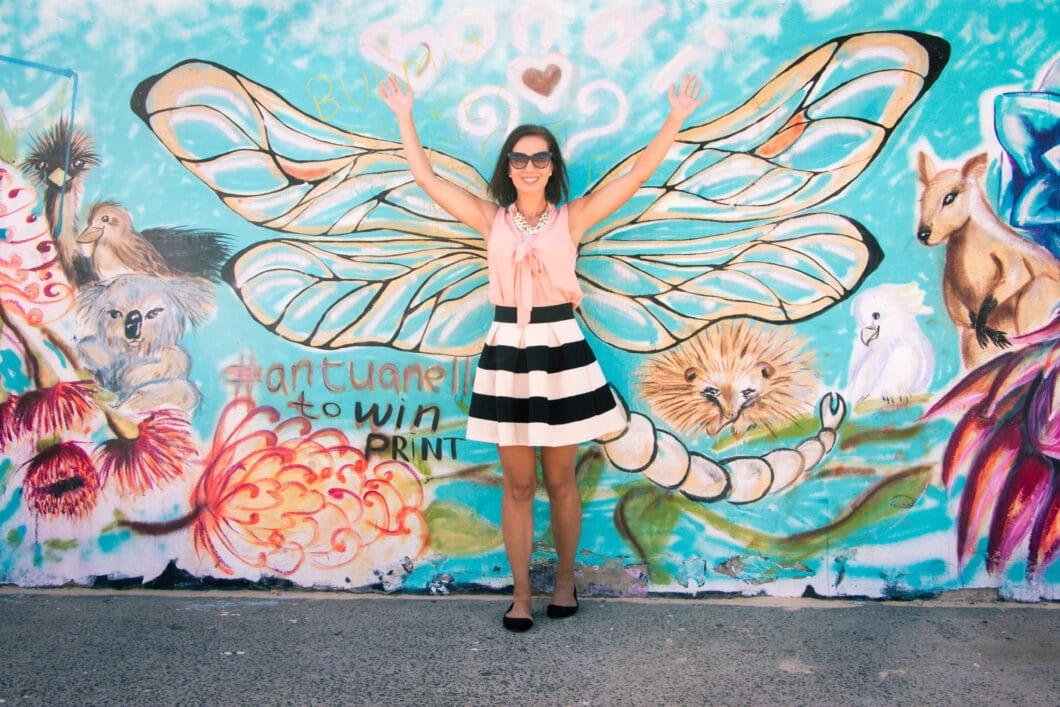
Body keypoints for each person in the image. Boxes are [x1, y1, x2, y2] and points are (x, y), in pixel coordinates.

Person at [380, 73, 706, 631]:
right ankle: (522, 595)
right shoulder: (491, 219)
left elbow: (637, 176)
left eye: (539, 157)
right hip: (508, 349)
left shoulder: (571, 218)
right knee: (519, 483)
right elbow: (426, 178)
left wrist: (674, 117)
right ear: (507, 167)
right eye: (519, 157)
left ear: (552, 165)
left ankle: (563, 584)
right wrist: (404, 114)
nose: (529, 166)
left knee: (560, 480)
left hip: (561, 351)